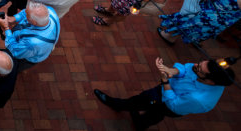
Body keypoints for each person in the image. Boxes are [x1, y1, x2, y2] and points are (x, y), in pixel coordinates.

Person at [94, 58, 235, 131]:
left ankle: (117, 105)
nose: (194, 65)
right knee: (154, 115)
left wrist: (165, 80)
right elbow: (187, 68)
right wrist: (172, 71)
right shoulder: (209, 73)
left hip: (169, 102)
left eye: (198, 68)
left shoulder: (199, 99)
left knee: (143, 102)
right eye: (199, 63)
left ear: (210, 81)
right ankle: (140, 124)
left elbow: (173, 105)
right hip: (170, 91)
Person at [0, 1, 60, 72]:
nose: (25, 14)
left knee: (13, 67)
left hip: (24, 57)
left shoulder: (32, 43)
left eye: (27, 15)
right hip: (27, 43)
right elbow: (25, 12)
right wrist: (13, 18)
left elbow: (15, 50)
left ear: (34, 22)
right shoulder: (49, 11)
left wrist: (6, 28)